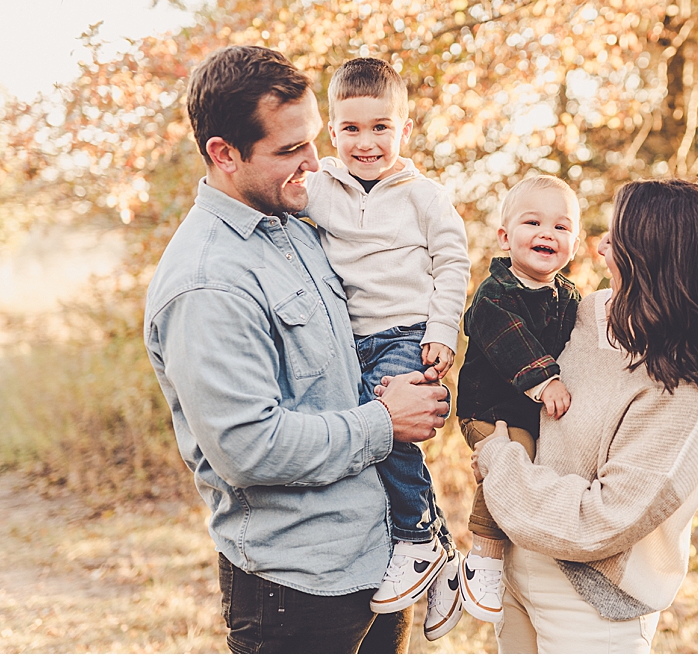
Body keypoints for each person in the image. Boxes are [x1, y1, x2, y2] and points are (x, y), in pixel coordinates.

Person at [143, 45, 450, 653]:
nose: (315, 162)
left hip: (377, 565)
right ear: (224, 154)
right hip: (296, 593)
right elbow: (248, 448)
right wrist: (386, 423)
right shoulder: (207, 283)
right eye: (289, 150)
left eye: (313, 140)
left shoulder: (296, 224)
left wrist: (423, 359)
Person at [471, 178, 698, 653]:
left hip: (590, 604)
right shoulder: (590, 312)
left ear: (650, 257)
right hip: (518, 568)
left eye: (616, 238)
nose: (601, 247)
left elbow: (602, 519)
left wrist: (500, 463)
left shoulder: (686, 388)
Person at [299, 57, 471, 640]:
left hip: (406, 333)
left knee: (390, 428)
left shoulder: (424, 196)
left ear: (404, 128)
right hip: (348, 342)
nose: (366, 142)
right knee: (361, 440)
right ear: (330, 129)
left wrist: (442, 333)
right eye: (350, 129)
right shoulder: (320, 186)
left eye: (380, 127)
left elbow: (452, 265)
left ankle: (418, 538)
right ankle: (440, 549)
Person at [455, 175, 582, 624]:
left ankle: (473, 574)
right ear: (506, 238)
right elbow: (513, 344)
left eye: (562, 227)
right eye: (533, 222)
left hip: (528, 415)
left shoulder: (569, 297)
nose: (547, 233)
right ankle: (482, 560)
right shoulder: (496, 293)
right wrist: (547, 382)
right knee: (512, 457)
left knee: (528, 463)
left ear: (575, 244)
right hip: (486, 410)